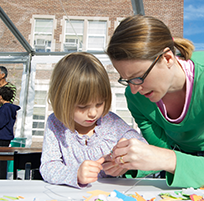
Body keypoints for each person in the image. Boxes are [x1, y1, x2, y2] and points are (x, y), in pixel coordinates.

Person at [105, 15, 204, 188]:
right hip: (178, 158)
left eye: (138, 77)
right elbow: (159, 154)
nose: (133, 89)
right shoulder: (135, 97)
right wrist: (126, 164)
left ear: (168, 58)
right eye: (126, 79)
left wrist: (164, 158)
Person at [40, 52, 147, 188]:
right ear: (62, 101)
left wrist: (125, 161)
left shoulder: (112, 123)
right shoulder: (55, 123)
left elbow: (143, 148)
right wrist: (75, 174)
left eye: (99, 104)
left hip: (110, 197)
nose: (93, 113)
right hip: (70, 198)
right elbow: (48, 166)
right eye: (82, 106)